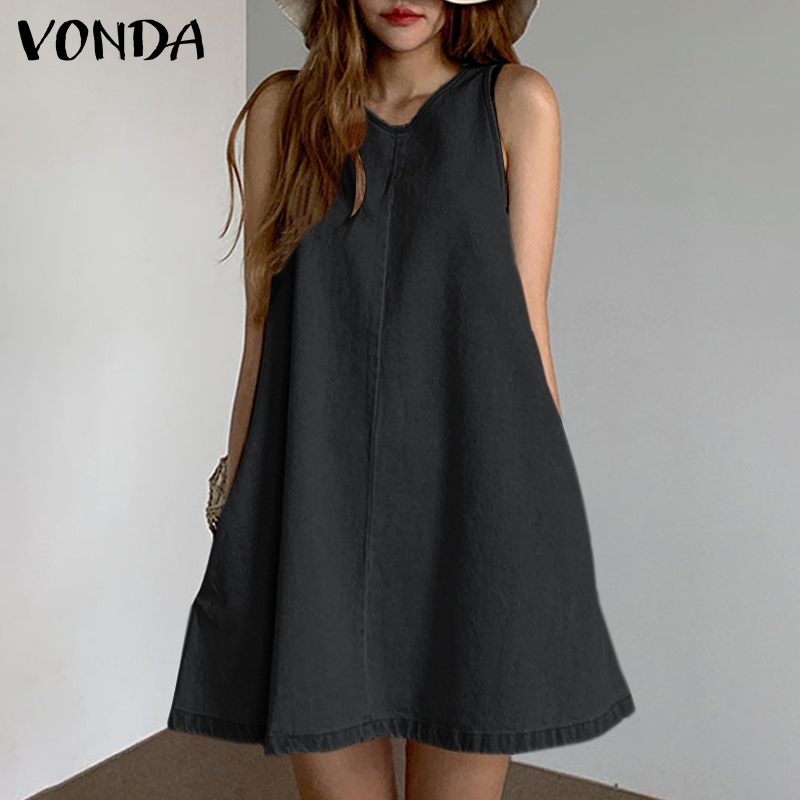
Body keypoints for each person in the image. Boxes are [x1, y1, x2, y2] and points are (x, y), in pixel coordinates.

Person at [167, 0, 636, 797]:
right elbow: (260, 330)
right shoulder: (283, 112)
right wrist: (235, 497)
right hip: (316, 511)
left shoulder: (518, 104)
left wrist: (547, 522)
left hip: (474, 505)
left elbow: (528, 327)